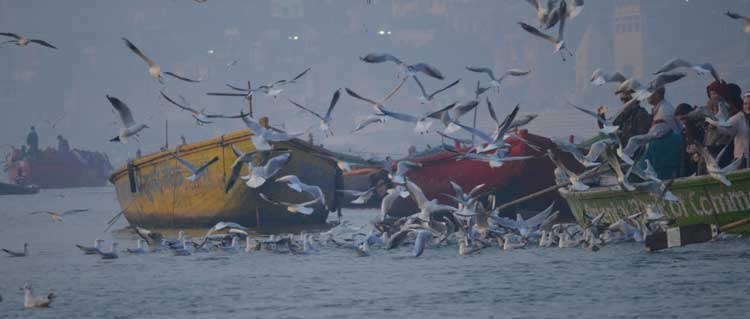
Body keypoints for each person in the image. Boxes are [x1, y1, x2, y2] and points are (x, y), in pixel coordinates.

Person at [710, 91, 750, 167]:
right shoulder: (738, 118)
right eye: (745, 104)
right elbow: (726, 129)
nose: (747, 106)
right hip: (743, 160)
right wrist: (715, 126)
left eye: (749, 104)